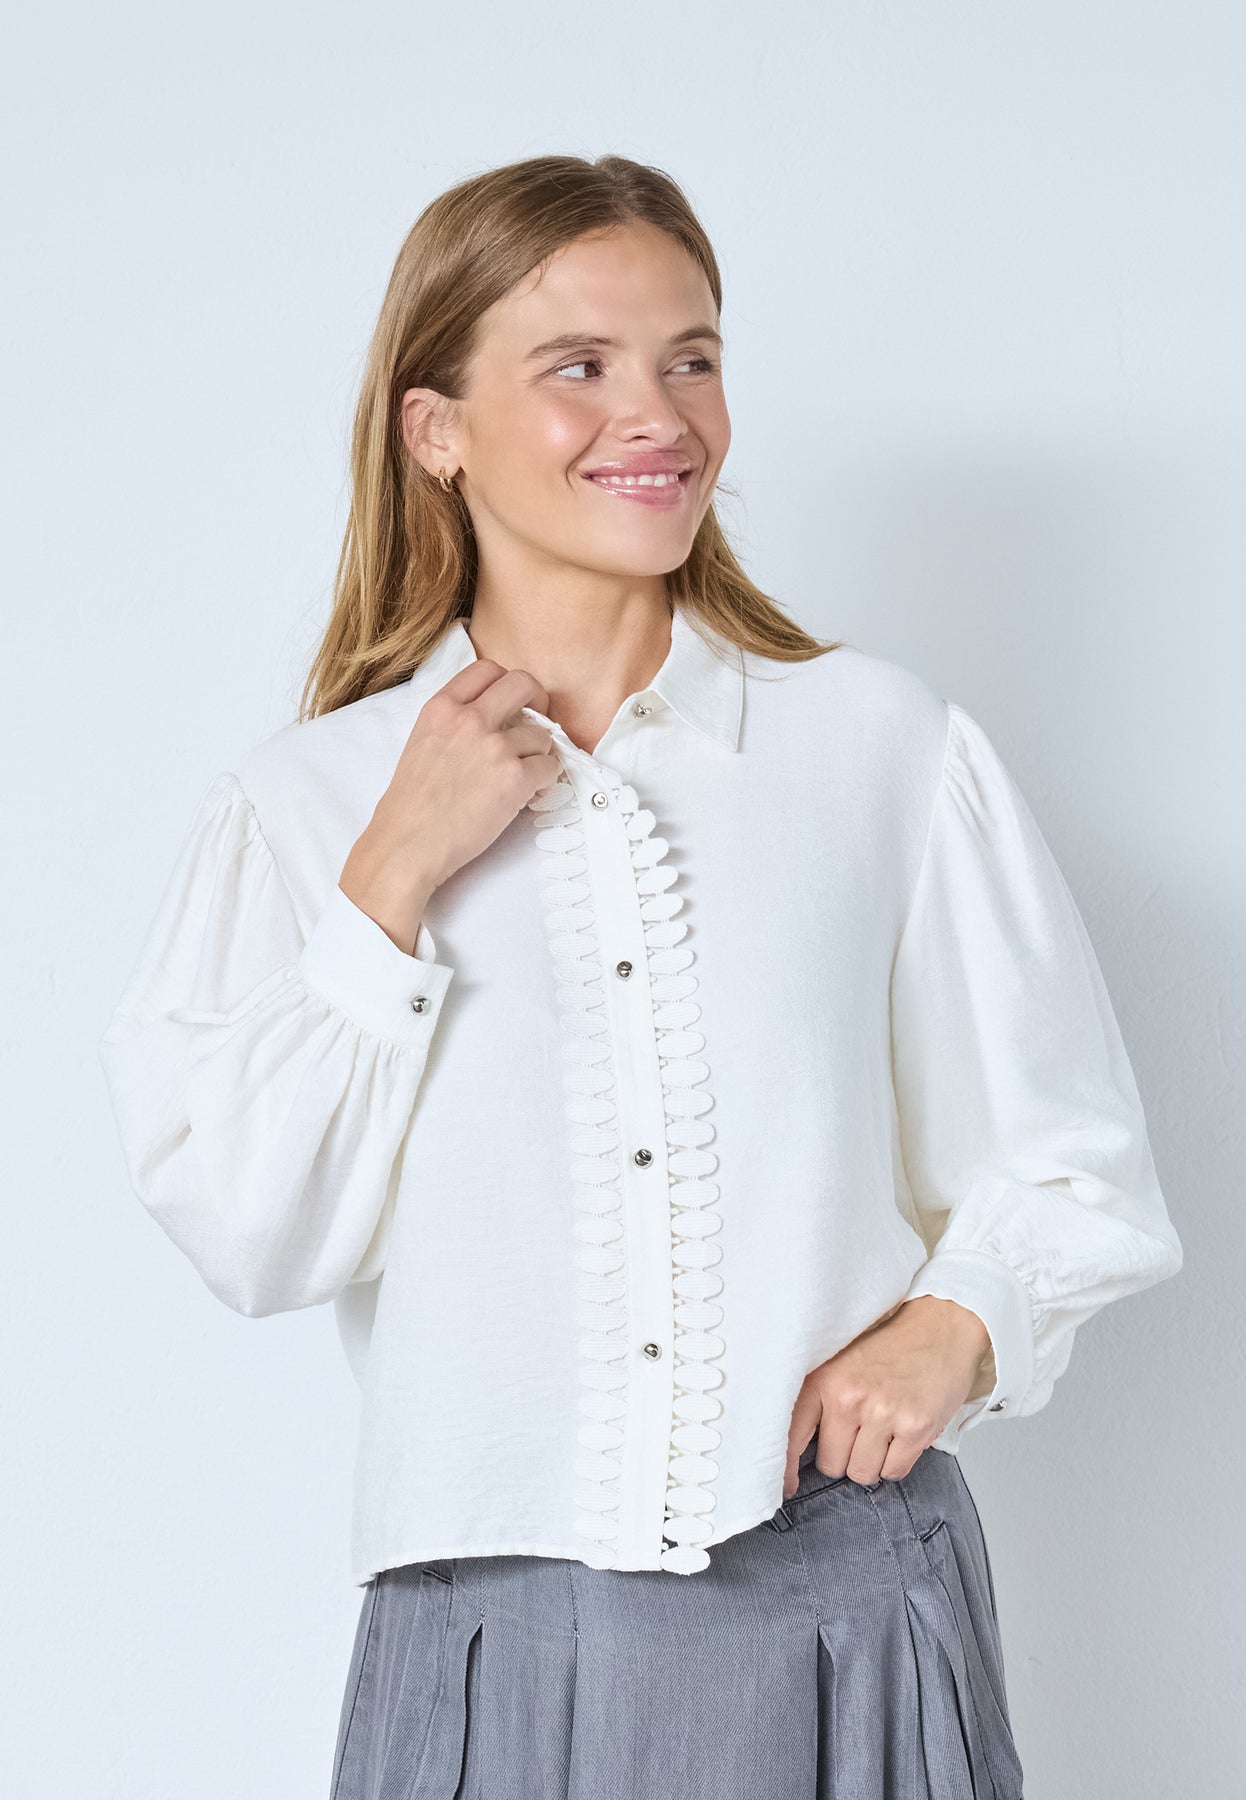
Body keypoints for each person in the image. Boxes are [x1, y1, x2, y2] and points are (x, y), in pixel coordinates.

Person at [97, 153, 1184, 1800]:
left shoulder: (881, 749)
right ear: (435, 430)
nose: (656, 416)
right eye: (579, 366)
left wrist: (962, 1321)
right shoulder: (303, 805)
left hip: (854, 1606)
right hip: (492, 1633)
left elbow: (1070, 1156)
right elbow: (254, 1234)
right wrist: (393, 874)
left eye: (691, 358)